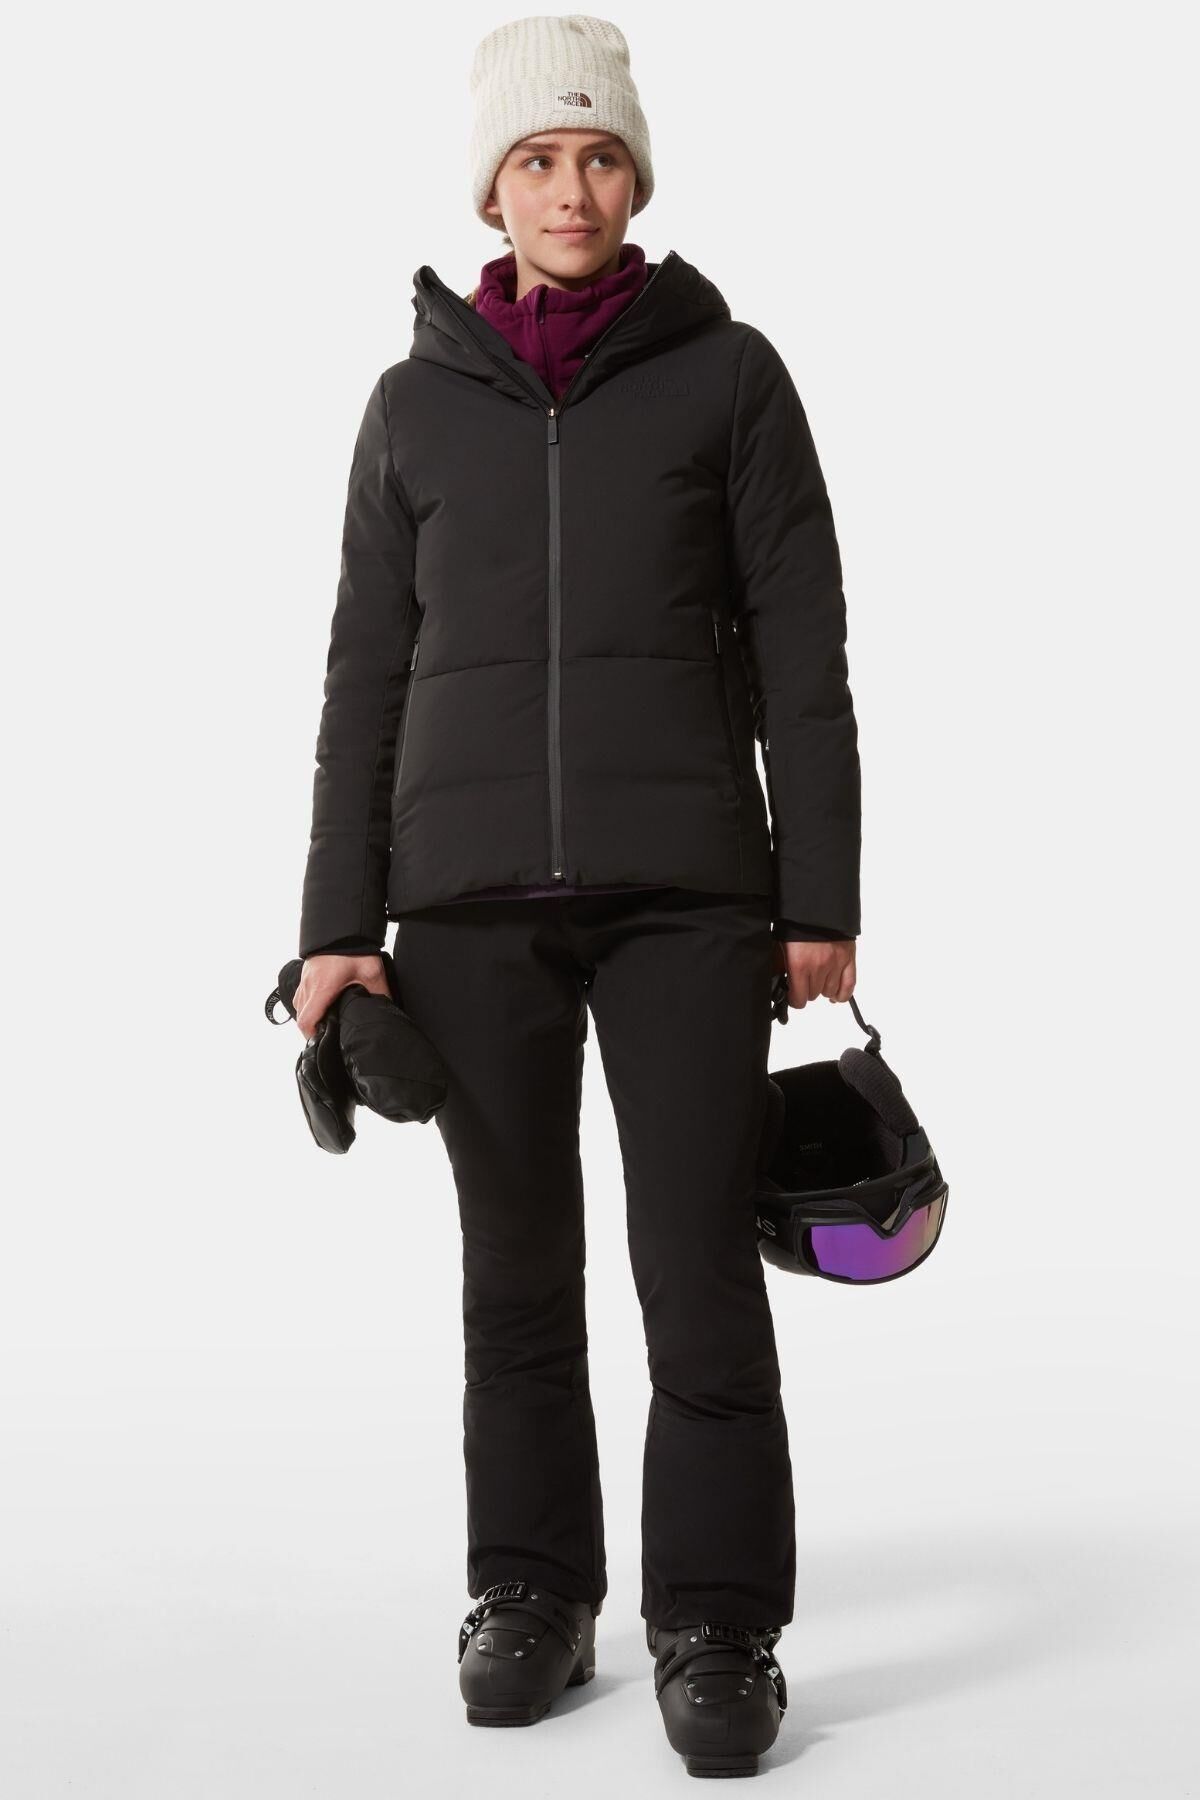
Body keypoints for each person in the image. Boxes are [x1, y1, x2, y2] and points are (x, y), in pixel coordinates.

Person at [292, 12, 860, 1773]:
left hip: (688, 894)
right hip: (465, 906)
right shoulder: (411, 408)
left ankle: (719, 1621)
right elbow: (363, 679)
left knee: (697, 1270)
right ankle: (531, 1588)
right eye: (537, 159)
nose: (570, 189)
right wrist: (335, 933)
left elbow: (805, 654)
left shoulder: (731, 377)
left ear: (637, 178)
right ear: (492, 187)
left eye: (599, 156)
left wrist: (819, 896)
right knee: (516, 1274)